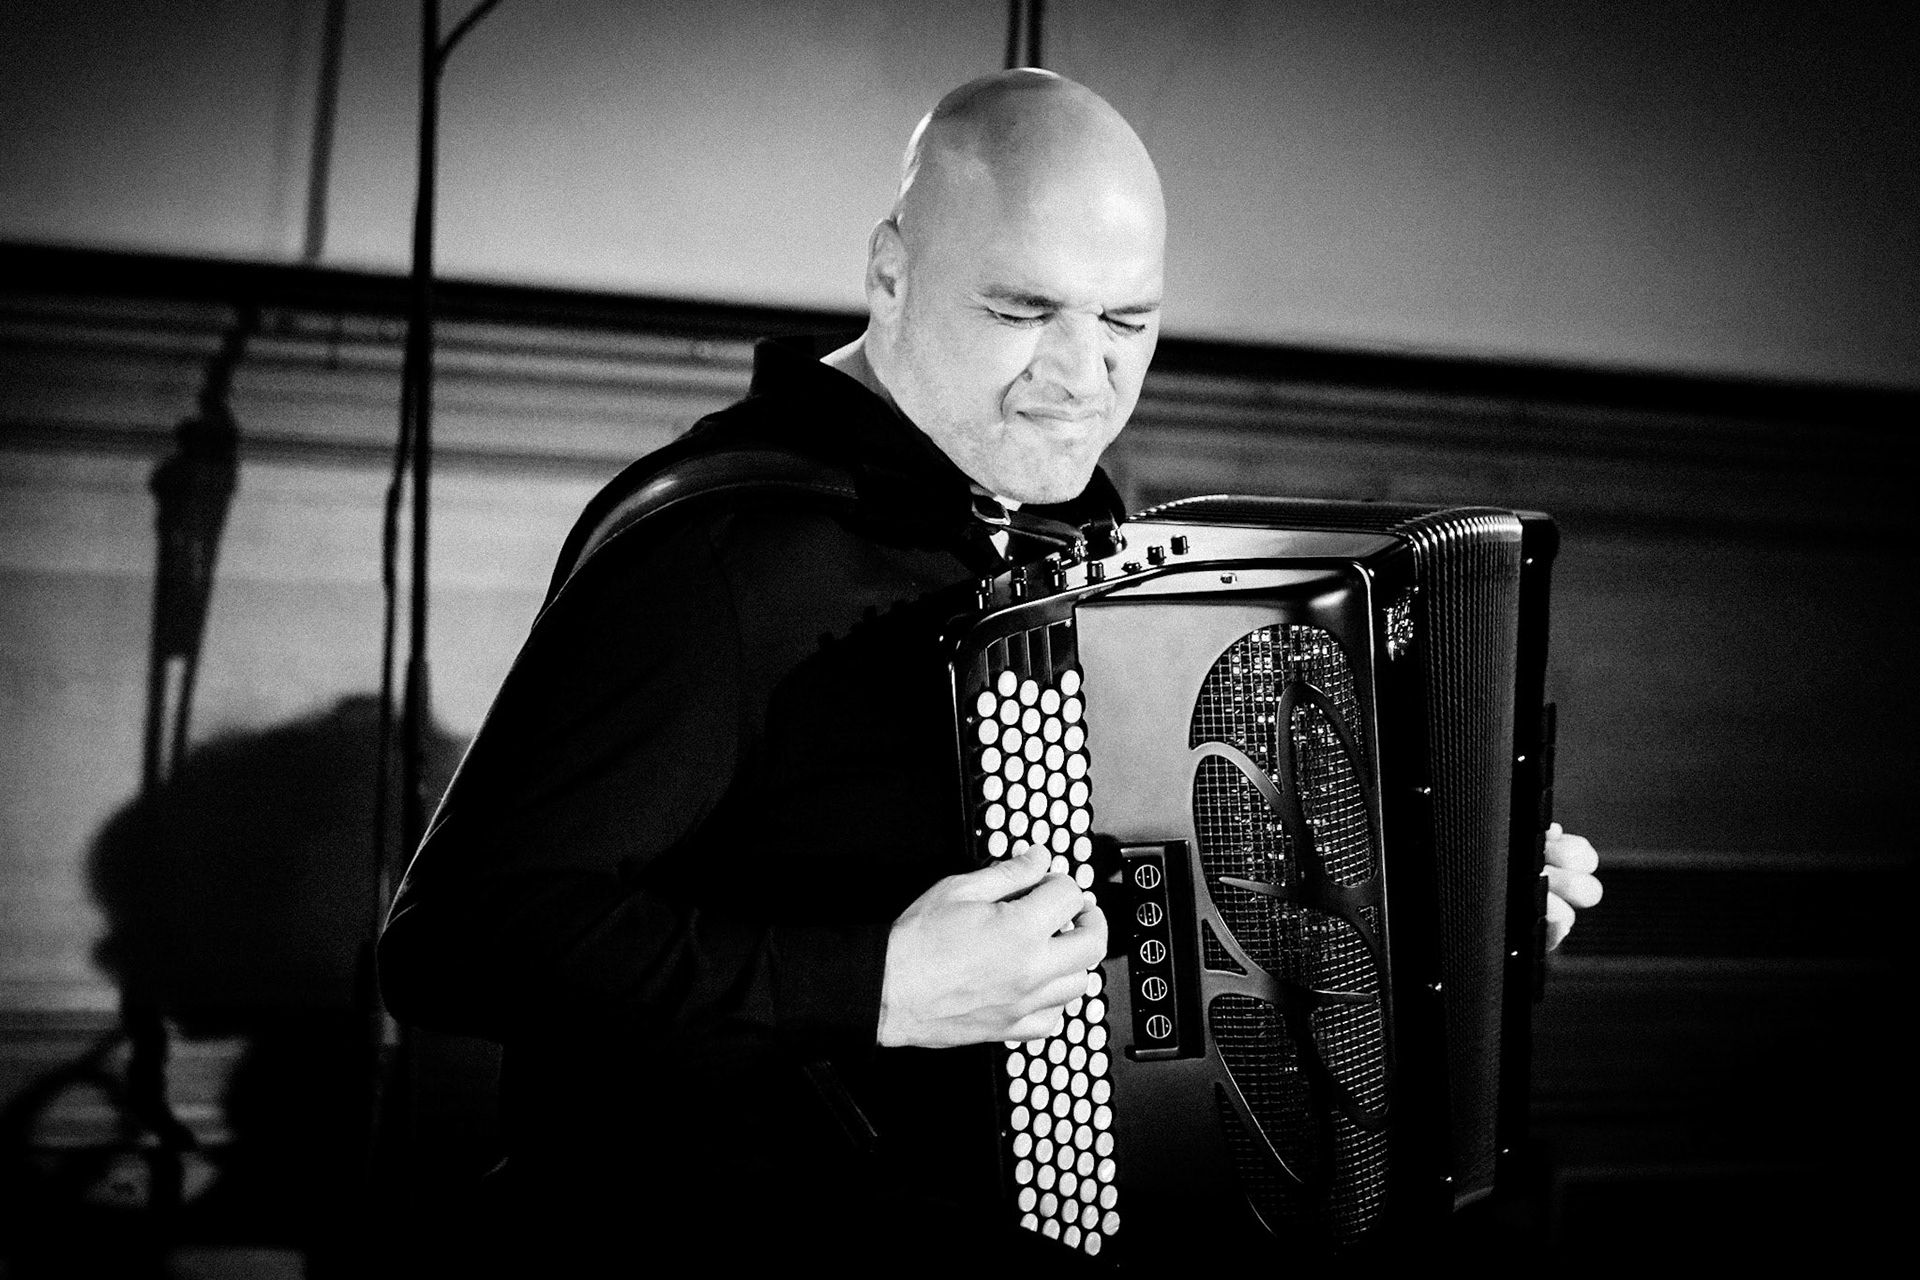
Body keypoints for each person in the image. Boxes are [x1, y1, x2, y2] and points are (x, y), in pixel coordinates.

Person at [378, 68, 1603, 1265]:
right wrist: (875, 987)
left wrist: (1438, 915)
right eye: (1023, 313)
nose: (1084, 378)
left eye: (1129, 321)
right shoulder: (722, 553)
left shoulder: (1073, 528)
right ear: (891, 273)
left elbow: (1163, 914)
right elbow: (455, 939)